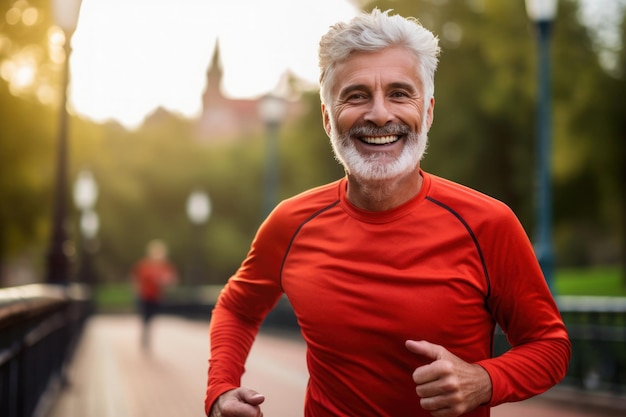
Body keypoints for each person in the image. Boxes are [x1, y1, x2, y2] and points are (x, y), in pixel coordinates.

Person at [205, 9, 570, 417]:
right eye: (356, 95)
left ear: (428, 111)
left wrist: (484, 381)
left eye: (399, 93)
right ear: (328, 118)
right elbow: (237, 307)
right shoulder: (290, 223)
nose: (380, 114)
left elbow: (551, 347)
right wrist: (221, 388)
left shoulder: (488, 224)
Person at [132, 239, 178, 349]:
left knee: (152, 317)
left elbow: (172, 281)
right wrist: (137, 290)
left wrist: (166, 282)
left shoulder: (166, 266)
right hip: (145, 296)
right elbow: (136, 279)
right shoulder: (144, 265)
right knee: (145, 317)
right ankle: (145, 334)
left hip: (157, 297)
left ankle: (147, 332)